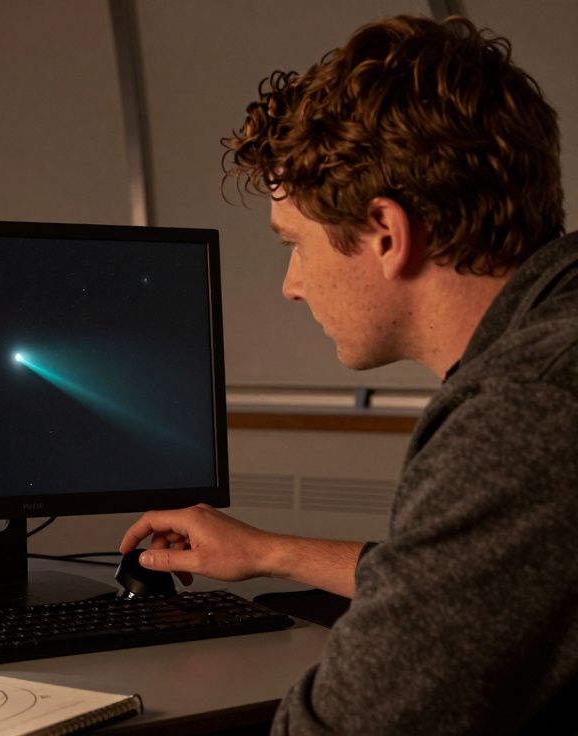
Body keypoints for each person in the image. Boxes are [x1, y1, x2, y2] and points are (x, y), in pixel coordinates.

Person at [118, 15, 577, 733]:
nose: (290, 286)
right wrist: (271, 552)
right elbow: (459, 579)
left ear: (387, 234)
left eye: (294, 245)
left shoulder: (525, 408)